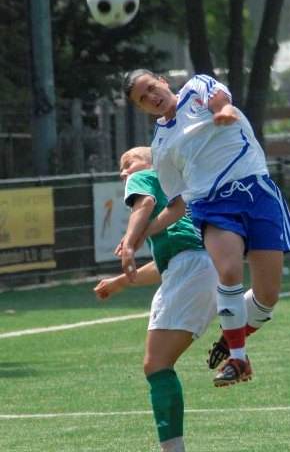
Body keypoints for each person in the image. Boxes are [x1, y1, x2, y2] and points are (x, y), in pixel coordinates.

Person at [122, 70, 290, 387]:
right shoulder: (161, 145)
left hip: (257, 193)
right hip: (211, 205)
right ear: (142, 108)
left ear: (162, 80)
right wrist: (138, 237)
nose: (151, 98)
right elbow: (176, 206)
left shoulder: (195, 88)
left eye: (151, 88)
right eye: (142, 99)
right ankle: (239, 360)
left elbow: (219, 99)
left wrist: (226, 111)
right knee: (229, 271)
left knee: (267, 296)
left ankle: (231, 337)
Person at [94, 146, 218, 452]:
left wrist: (131, 242)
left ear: (153, 162)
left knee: (157, 364)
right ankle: (240, 317)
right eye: (120, 169)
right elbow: (172, 261)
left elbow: (144, 202)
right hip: (205, 266)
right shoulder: (175, 194)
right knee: (157, 364)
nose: (124, 173)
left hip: (190, 269)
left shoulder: (148, 177)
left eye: (128, 164)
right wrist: (121, 282)